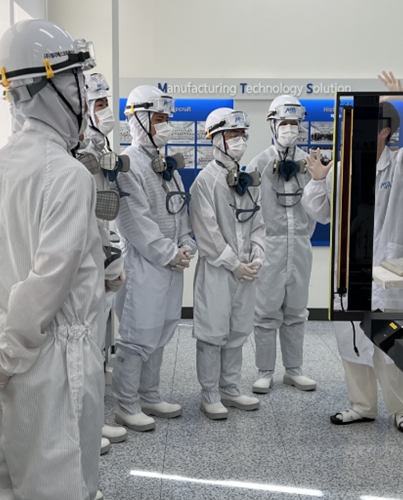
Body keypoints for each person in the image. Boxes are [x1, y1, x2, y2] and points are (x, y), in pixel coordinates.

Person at [0, 19, 106, 500]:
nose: (83, 93)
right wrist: (7, 357)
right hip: (50, 364)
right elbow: (47, 283)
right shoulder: (68, 175)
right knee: (59, 483)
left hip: (0, 359)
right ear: (51, 85)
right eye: (77, 79)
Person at [302, 71, 403, 434]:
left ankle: (400, 409)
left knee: (392, 342)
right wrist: (318, 179)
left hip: (387, 269)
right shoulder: (342, 168)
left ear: (384, 131)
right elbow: (320, 213)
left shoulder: (401, 165)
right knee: (352, 340)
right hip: (349, 270)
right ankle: (362, 405)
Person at [112, 85, 197, 431]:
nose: (165, 125)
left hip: (171, 265)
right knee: (137, 335)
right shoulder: (127, 165)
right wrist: (169, 253)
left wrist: (186, 243)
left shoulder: (166, 167)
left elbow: (179, 210)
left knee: (161, 330)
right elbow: (134, 222)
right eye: (158, 118)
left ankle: (149, 394)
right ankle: (126, 404)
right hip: (143, 265)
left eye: (166, 118)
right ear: (138, 121)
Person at [190, 107, 265, 420]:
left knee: (238, 331)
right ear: (216, 138)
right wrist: (234, 264)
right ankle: (209, 393)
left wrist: (258, 255)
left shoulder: (248, 181)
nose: (239, 140)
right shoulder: (204, 183)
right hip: (218, 272)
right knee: (212, 333)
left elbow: (258, 223)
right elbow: (208, 233)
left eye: (242, 134)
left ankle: (230, 388)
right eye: (233, 134)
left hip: (245, 272)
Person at [247, 95, 318, 394]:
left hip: (300, 245)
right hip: (270, 246)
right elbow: (249, 209)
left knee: (296, 311)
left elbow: (318, 205)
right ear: (273, 125)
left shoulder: (309, 163)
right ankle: (265, 371)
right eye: (284, 123)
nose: (289, 128)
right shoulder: (259, 164)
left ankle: (293, 370)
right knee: (265, 312)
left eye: (294, 123)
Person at [79, 73, 129, 448]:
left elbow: (105, 211)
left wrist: (113, 255)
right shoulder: (78, 155)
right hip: (85, 266)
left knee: (97, 349)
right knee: (83, 351)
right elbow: (85, 217)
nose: (106, 110)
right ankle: (82, 428)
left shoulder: (99, 149)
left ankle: (93, 422)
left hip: (103, 260)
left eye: (106, 102)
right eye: (98, 104)